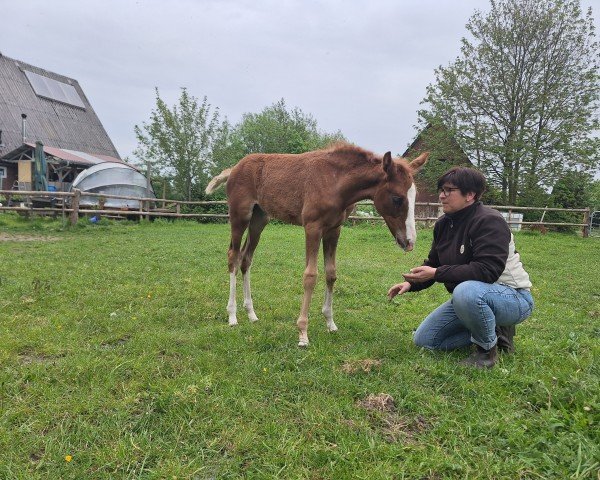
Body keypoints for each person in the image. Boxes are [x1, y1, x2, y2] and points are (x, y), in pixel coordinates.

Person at [387, 166, 534, 368]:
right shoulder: (443, 225)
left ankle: (486, 354)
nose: (441, 196)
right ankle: (496, 334)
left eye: (448, 190)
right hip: (473, 297)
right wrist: (411, 284)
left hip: (513, 297)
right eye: (441, 190)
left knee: (465, 290)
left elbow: (487, 271)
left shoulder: (489, 221)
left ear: (470, 195)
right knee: (425, 340)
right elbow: (434, 264)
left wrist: (437, 273)